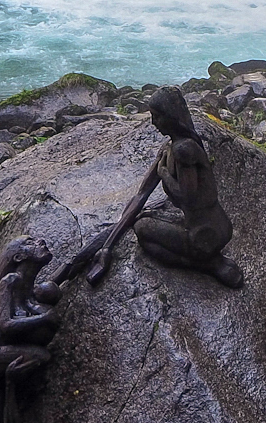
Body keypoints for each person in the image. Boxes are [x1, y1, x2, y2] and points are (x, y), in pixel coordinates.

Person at [76, 87, 243, 289]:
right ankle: (208, 259)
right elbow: (141, 195)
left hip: (205, 235)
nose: (154, 123)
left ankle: (208, 264)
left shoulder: (184, 150)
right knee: (144, 217)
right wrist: (108, 246)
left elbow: (187, 197)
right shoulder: (171, 148)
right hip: (214, 227)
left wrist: (163, 173)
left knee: (142, 229)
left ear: (171, 117)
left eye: (157, 116)